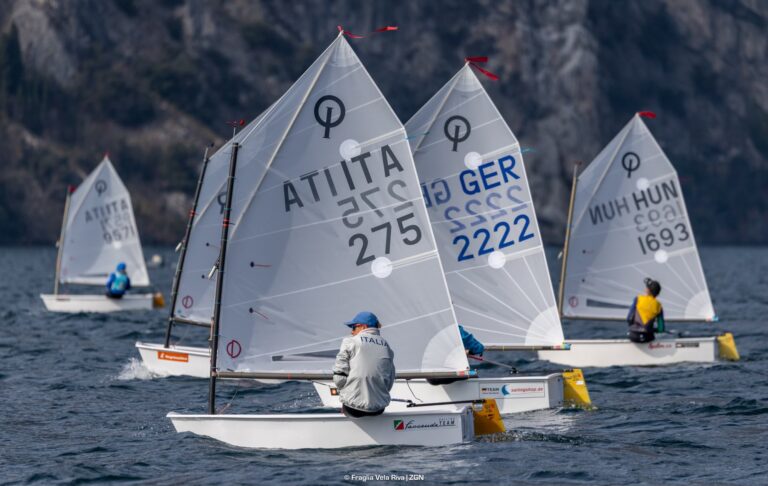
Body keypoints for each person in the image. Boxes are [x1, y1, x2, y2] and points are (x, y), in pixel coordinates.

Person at [332, 311, 395, 418]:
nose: (352, 332)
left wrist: (342, 390)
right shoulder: (386, 346)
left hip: (354, 409)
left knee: (346, 403)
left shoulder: (350, 341)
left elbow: (339, 378)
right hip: (379, 409)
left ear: (363, 326)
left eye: (354, 327)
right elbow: (390, 381)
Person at [627, 278, 665, 343]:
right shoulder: (659, 306)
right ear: (658, 294)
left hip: (634, 336)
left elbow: (628, 319)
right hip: (648, 337)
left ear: (647, 290)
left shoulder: (638, 299)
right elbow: (661, 329)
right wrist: (653, 329)